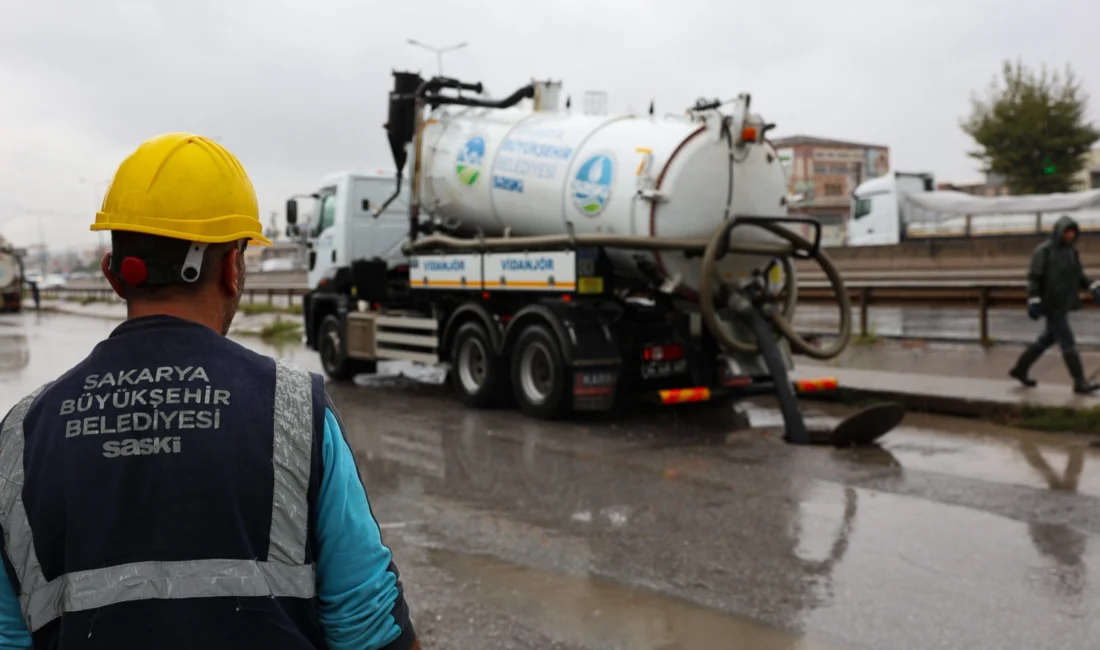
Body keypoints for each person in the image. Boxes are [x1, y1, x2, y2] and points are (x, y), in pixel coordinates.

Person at [0, 133, 418, 649]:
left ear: (113, 275)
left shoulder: (22, 432)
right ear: (232, 269)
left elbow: (9, 632)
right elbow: (369, 626)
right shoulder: (294, 411)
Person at [1009, 215, 1100, 395]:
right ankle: (1080, 382)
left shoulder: (1071, 251)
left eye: (1073, 232)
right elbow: (1034, 277)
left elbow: (1079, 275)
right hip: (1051, 303)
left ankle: (1020, 369)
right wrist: (1033, 299)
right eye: (1067, 231)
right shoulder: (1043, 251)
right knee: (1067, 342)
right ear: (1059, 232)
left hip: (1064, 302)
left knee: (1046, 339)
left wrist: (1093, 286)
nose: (1070, 235)